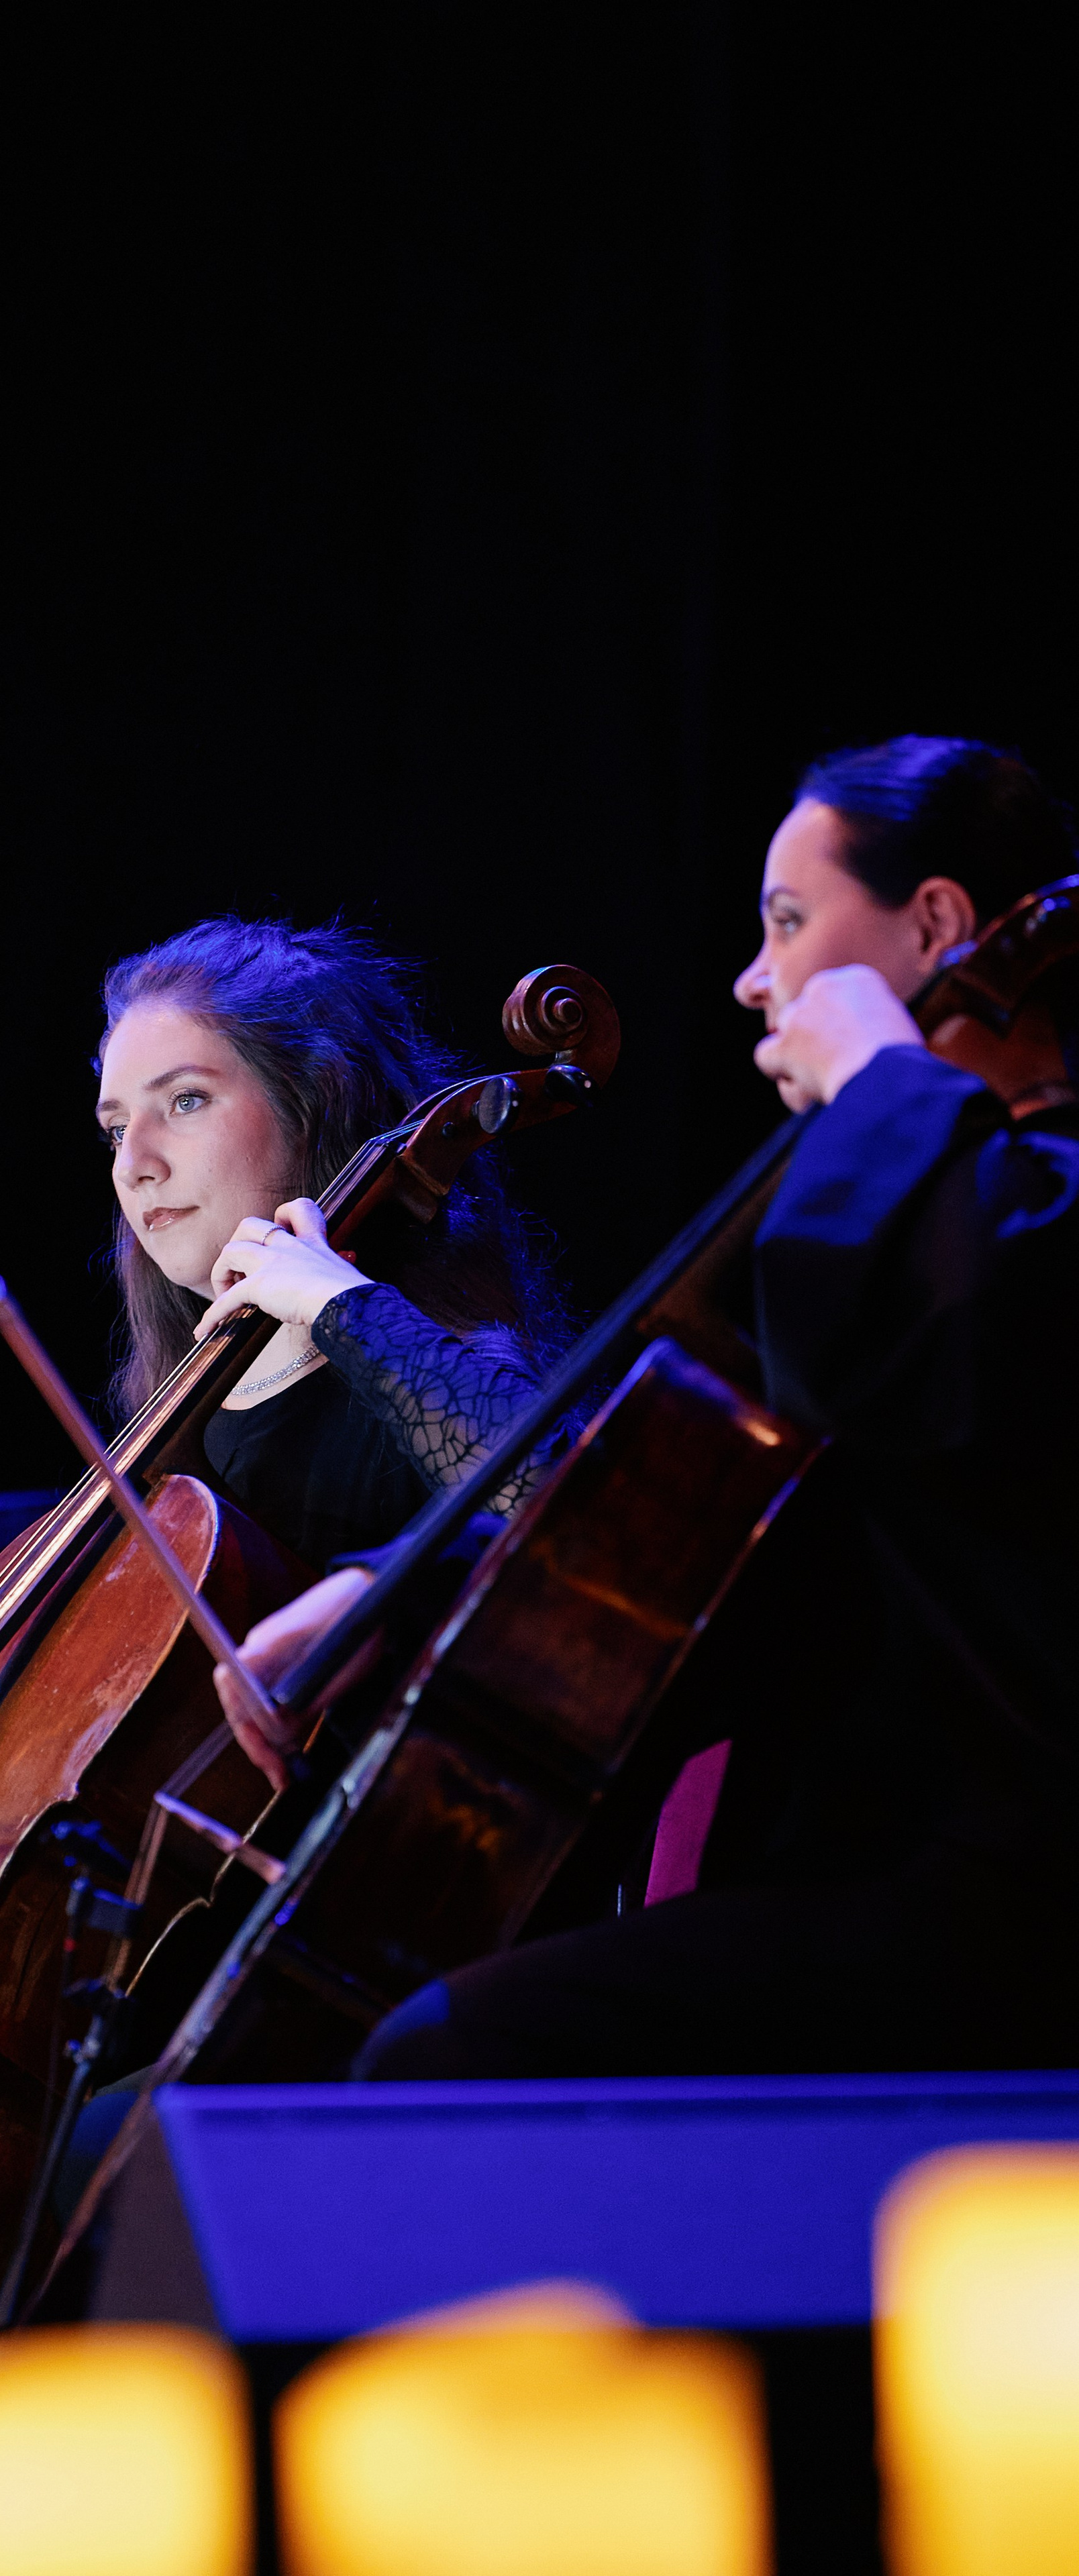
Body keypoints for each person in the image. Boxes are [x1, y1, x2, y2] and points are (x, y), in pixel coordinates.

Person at [211, 735, 1079, 2074]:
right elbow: (672, 1511)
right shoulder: (923, 1192)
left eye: (788, 924)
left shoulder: (1027, 1196)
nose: (751, 977)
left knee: (438, 2060)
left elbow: (896, 1345)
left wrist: (882, 1077)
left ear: (936, 925)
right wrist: (401, 1589)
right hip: (874, 1860)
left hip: (1008, 1886)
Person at [95, 920, 576, 1773]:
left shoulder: (425, 1354)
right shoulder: (181, 1424)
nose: (135, 1162)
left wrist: (338, 1305)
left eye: (185, 1101)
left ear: (312, 1100)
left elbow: (568, 1501)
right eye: (114, 1127)